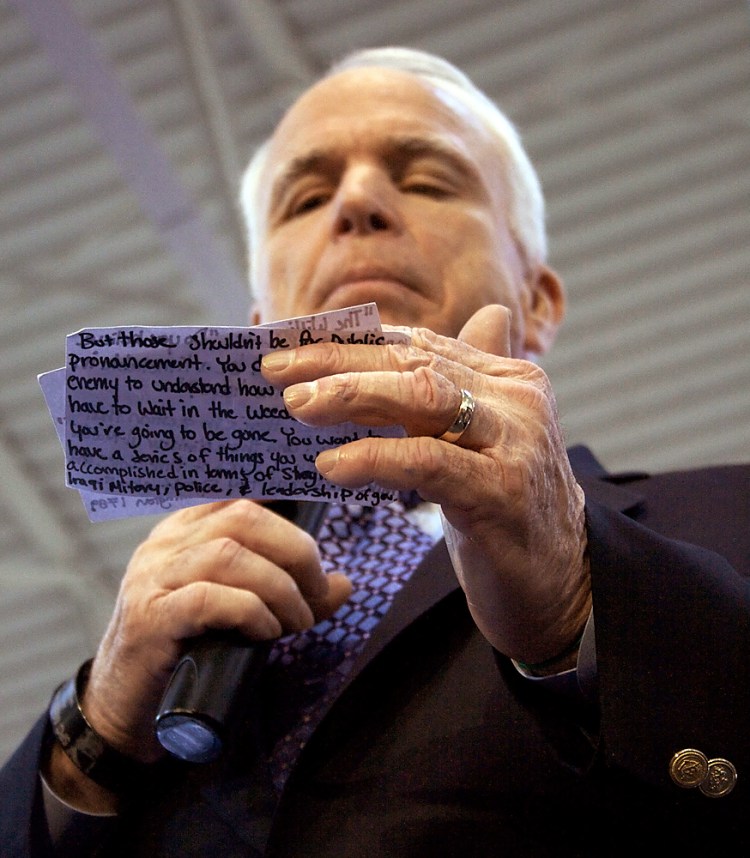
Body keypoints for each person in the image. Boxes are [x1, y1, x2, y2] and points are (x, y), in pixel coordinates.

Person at [1, 46, 748, 857]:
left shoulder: (726, 518)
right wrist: (91, 740)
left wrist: (580, 608)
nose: (357, 202)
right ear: (260, 323)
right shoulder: (170, 640)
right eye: (306, 198)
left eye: (429, 181)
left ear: (537, 299)